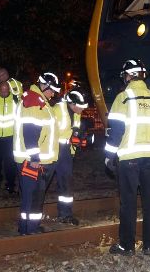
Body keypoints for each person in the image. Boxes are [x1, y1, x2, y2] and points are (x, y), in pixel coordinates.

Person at [105, 59, 150, 256]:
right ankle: (149, 245)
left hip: (128, 159)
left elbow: (115, 133)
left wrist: (109, 156)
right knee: (149, 203)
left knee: (128, 203)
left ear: (129, 75)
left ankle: (127, 246)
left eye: (125, 75)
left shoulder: (123, 98)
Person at [13, 72, 60, 234]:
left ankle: (28, 228)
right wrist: (34, 158)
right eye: (52, 89)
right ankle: (28, 230)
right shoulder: (34, 102)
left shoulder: (39, 100)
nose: (53, 93)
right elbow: (30, 132)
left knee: (32, 196)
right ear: (44, 85)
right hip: (30, 159)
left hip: (33, 158)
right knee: (30, 197)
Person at [52, 88, 89, 225]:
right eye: (80, 107)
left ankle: (65, 214)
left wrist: (78, 138)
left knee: (66, 184)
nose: (82, 110)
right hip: (53, 150)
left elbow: (74, 130)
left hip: (66, 152)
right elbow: (48, 133)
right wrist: (70, 138)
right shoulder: (57, 110)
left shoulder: (75, 112)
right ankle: (32, 221)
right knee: (40, 185)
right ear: (72, 104)